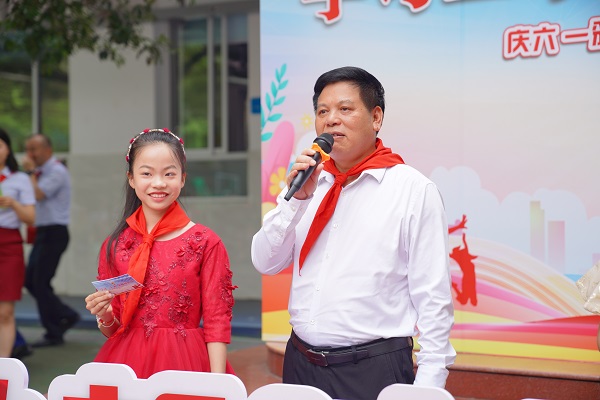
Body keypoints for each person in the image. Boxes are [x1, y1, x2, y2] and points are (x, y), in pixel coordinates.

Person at [251, 66, 456, 400]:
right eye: (322, 111)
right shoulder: (308, 181)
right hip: (300, 363)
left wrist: (428, 386)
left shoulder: (413, 190)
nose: (331, 120)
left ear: (376, 118)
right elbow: (265, 261)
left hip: (372, 370)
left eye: (345, 109)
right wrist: (295, 201)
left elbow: (433, 298)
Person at [84, 128, 236, 378]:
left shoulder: (205, 242)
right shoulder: (115, 245)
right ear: (131, 179)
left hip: (185, 362)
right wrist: (105, 314)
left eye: (169, 173)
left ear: (183, 178)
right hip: (127, 364)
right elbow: (114, 330)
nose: (159, 183)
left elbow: (217, 321)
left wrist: (218, 384)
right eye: (147, 173)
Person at [22, 133, 80, 347]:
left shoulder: (56, 171)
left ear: (48, 150)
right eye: (28, 149)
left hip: (54, 232)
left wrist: (29, 172)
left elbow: (37, 195)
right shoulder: (40, 172)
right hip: (43, 232)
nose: (30, 154)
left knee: (39, 282)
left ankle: (54, 330)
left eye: (34, 149)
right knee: (30, 281)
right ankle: (65, 315)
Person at [0, 128, 36, 358]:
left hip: (8, 245)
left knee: (5, 311)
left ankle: (3, 366)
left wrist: (12, 203)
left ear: (7, 149)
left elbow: (31, 218)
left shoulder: (20, 179)